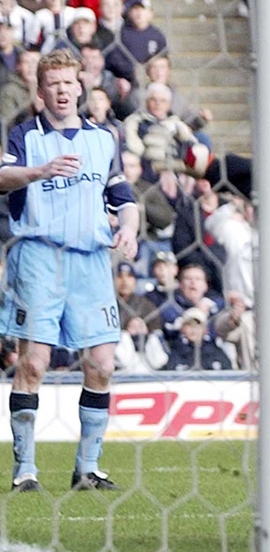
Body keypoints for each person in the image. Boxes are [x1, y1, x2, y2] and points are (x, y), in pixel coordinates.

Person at [0, 49, 139, 492]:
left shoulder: (103, 138)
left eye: (68, 83)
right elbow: (2, 177)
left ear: (80, 87)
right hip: (39, 257)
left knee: (101, 364)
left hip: (91, 261)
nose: (62, 91)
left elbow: (121, 193)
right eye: (53, 84)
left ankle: (88, 469)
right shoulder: (23, 135)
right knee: (35, 364)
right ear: (40, 93)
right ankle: (25, 471)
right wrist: (39, 171)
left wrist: (131, 229)